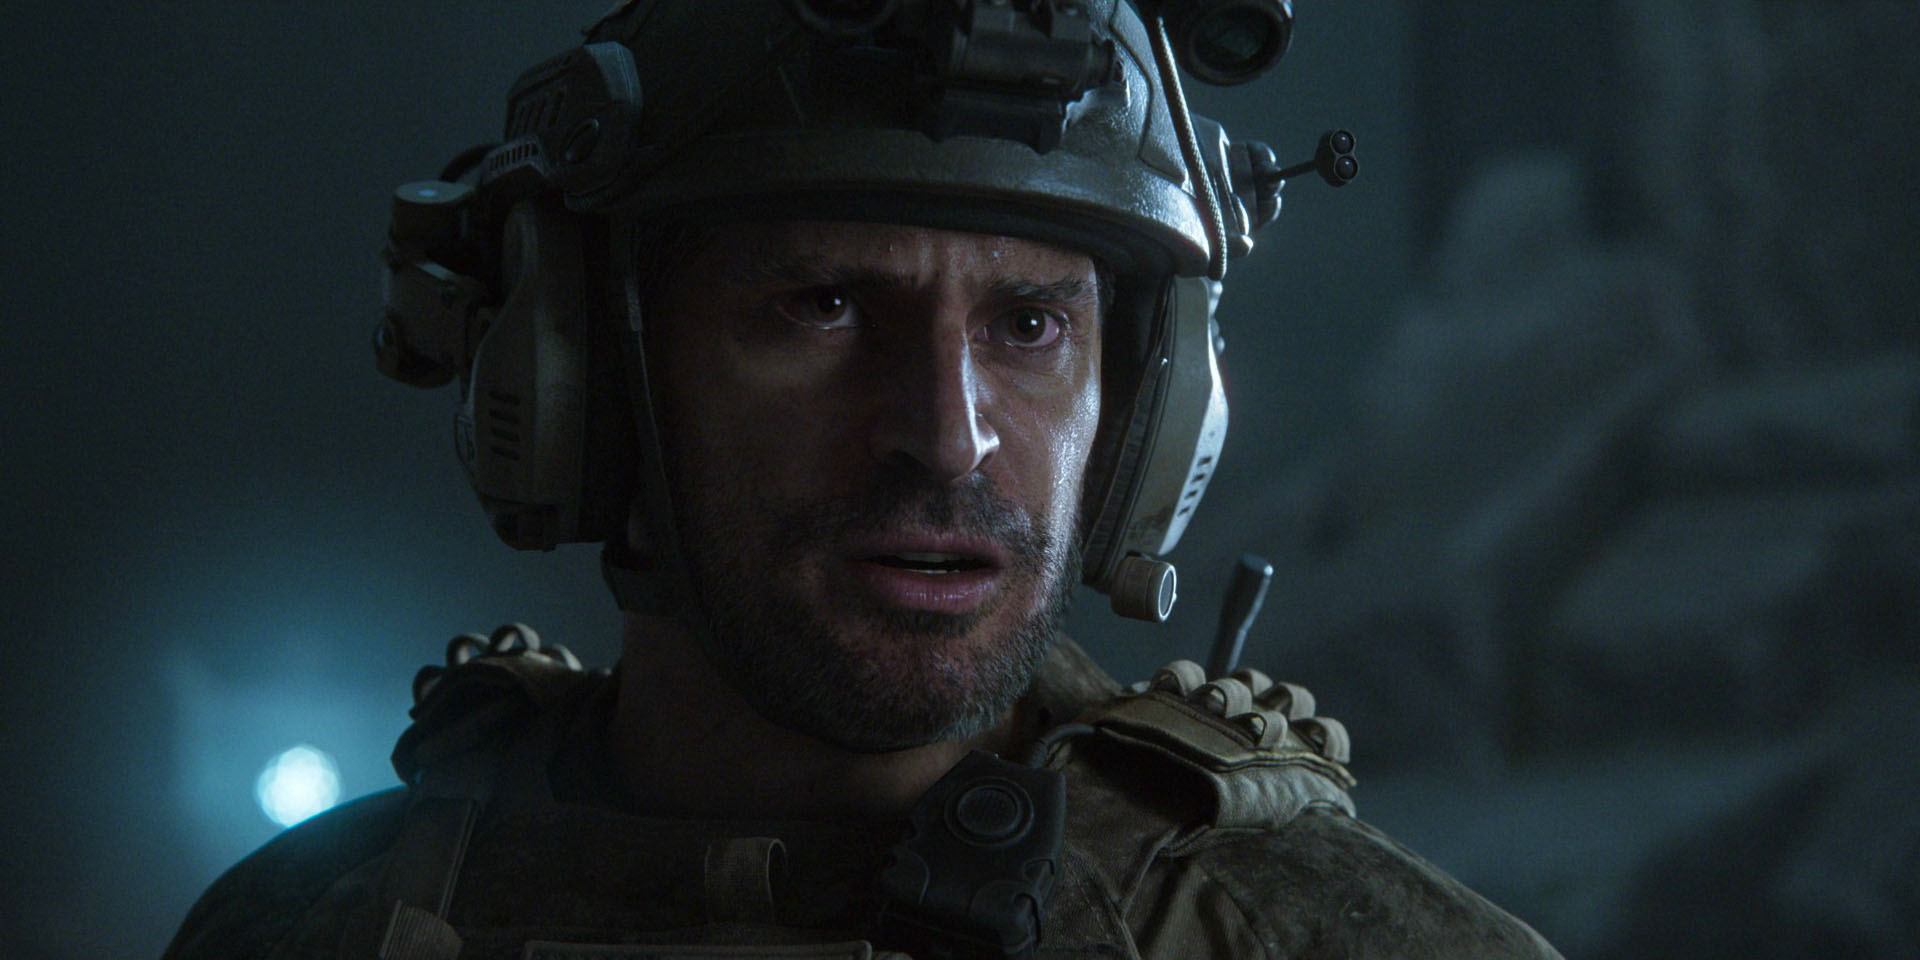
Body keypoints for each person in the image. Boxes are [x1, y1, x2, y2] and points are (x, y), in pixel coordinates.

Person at [167, 2, 1562, 957]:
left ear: (1149, 411)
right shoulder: (304, 928)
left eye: (1030, 326)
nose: (948, 440)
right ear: (588, 378)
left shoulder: (1315, 939)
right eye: (823, 307)